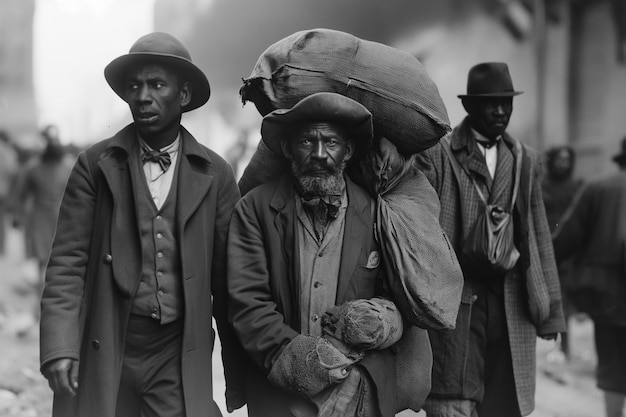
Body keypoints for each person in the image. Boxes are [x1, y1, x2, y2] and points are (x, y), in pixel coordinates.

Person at [39, 32, 245, 417]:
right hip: (110, 338)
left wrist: (242, 369)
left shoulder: (216, 174)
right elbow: (67, 264)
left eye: (156, 84)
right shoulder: (94, 165)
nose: (142, 96)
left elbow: (230, 281)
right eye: (134, 86)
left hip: (176, 348)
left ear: (182, 96)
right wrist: (60, 347)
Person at [226, 92, 433, 417]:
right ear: (287, 148)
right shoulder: (254, 211)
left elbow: (404, 297)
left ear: (348, 151)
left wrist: (380, 318)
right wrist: (303, 360)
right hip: (276, 397)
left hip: (357, 391)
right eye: (307, 141)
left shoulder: (379, 214)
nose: (320, 154)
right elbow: (247, 303)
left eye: (331, 143)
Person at [414, 62, 566, 417]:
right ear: (469, 108)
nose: (500, 111)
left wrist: (551, 314)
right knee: (453, 399)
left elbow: (539, 234)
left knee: (504, 400)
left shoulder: (524, 158)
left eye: (506, 103)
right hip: (458, 298)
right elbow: (419, 226)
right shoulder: (438, 154)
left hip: (509, 297)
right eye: (490, 103)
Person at [553, 137, 626, 417]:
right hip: (611, 294)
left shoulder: (597, 189)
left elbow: (567, 238)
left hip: (608, 296)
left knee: (612, 366)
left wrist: (540, 267)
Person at [11, 132, 73, 316]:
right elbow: (19, 195)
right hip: (39, 221)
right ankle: (42, 306)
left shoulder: (68, 167)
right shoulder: (33, 168)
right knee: (42, 264)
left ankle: (58, 306)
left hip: (62, 219)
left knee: (62, 263)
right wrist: (17, 215)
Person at [541, 145, 584, 360]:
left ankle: (564, 345)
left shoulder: (577, 186)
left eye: (568, 159)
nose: (563, 164)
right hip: (545, 247)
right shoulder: (542, 185)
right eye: (560, 159)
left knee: (565, 298)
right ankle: (546, 342)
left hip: (568, 250)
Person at [0, 129, 19, 255]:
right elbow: (13, 171)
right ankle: (1, 247)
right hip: (4, 191)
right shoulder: (9, 151)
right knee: (2, 219)